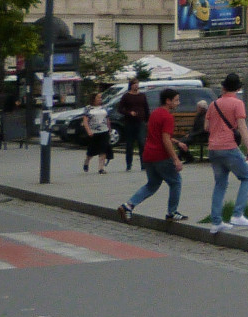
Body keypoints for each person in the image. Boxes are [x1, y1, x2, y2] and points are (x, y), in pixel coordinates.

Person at [119, 88, 186, 221]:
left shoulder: (155, 113)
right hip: (161, 156)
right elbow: (165, 139)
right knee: (176, 182)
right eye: (176, 100)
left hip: (148, 155)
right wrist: (176, 159)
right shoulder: (167, 117)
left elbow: (156, 134)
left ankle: (129, 205)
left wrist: (177, 142)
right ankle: (172, 212)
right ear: (168, 101)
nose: (178, 103)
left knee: (152, 184)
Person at [202, 73, 248, 231]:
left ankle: (216, 222)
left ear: (224, 87)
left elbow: (206, 127)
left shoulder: (214, 104)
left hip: (213, 148)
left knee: (220, 184)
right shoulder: (237, 103)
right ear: (238, 88)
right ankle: (238, 214)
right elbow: (242, 126)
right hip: (229, 147)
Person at [117, 78, 149, 173]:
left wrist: (147, 120)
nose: (136, 86)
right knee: (129, 144)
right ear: (130, 85)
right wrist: (129, 112)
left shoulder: (142, 95)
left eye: (137, 84)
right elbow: (120, 109)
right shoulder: (126, 96)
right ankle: (129, 164)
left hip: (141, 122)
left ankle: (144, 164)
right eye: (134, 84)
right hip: (129, 123)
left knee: (141, 143)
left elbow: (146, 108)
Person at [79, 90, 115, 173]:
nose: (100, 99)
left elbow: (107, 119)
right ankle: (86, 161)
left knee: (103, 149)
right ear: (93, 98)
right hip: (93, 132)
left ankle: (101, 168)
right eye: (98, 97)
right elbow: (85, 121)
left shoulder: (104, 107)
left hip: (104, 131)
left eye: (100, 98)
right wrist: (88, 131)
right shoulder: (88, 108)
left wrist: (109, 129)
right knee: (91, 151)